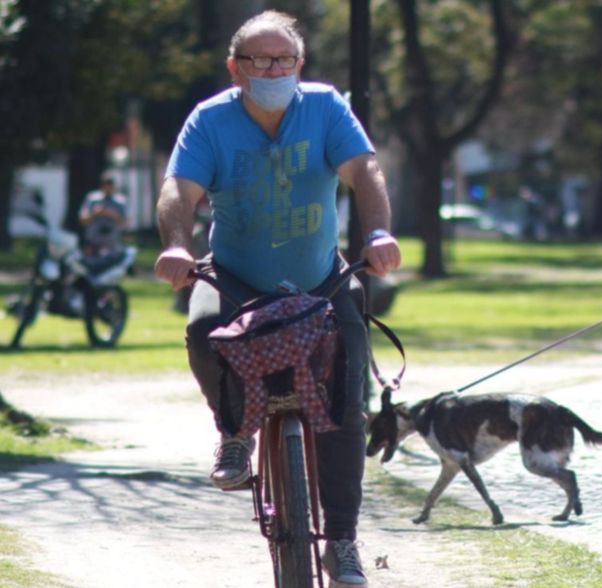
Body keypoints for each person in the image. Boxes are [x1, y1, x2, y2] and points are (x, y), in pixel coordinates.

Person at [153, 11, 401, 586]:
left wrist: (379, 232)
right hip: (236, 279)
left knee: (345, 403)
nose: (272, 69)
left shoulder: (325, 108)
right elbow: (179, 189)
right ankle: (234, 433)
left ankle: (341, 543)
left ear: (300, 64)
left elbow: (364, 171)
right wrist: (175, 246)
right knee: (201, 329)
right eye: (259, 60)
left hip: (320, 280)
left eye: (283, 59)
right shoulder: (210, 120)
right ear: (235, 68)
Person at [79, 172, 128, 256]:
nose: (108, 187)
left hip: (112, 243)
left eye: (110, 184)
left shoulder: (120, 202)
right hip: (93, 242)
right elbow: (82, 220)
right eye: (106, 184)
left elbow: (125, 222)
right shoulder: (92, 199)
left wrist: (111, 214)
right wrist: (95, 213)